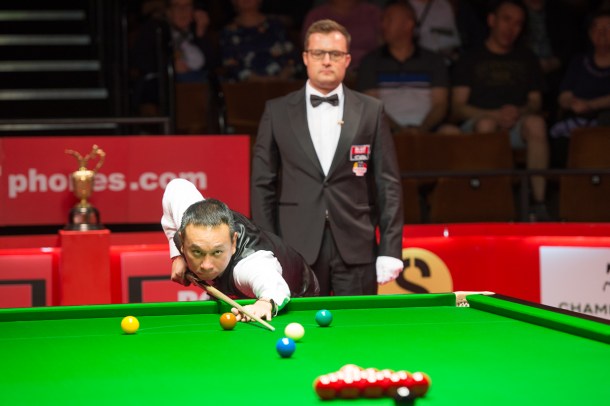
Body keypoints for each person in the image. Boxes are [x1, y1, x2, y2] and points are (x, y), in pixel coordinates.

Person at [251, 19, 404, 296]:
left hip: (357, 245)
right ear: (305, 58)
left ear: (347, 60)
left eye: (334, 54)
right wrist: (266, 248)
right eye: (318, 53)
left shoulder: (371, 111)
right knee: (300, 320)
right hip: (295, 246)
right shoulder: (277, 111)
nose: (326, 61)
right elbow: (263, 185)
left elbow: (388, 185)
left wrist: (390, 249)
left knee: (356, 323)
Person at [161, 178, 319, 322]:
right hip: (232, 288)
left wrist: (264, 303)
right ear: (182, 240)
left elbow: (274, 286)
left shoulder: (249, 264)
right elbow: (177, 187)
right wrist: (177, 256)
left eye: (217, 252)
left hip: (298, 294)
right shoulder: (190, 221)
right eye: (197, 252)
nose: (206, 265)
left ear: (233, 243)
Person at [450, 0, 550, 220]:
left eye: (518, 23)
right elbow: (458, 107)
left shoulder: (527, 58)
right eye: (506, 19)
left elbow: (535, 102)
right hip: (479, 123)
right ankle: (492, 203)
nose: (511, 28)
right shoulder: (471, 58)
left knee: (537, 123)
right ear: (492, 20)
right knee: (487, 125)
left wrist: (518, 112)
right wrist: (492, 115)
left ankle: (539, 203)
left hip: (517, 123)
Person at [357, 0, 450, 133]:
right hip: (385, 132)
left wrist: (421, 130)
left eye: (389, 20)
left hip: (428, 132)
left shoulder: (433, 61)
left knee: (450, 132)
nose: (383, 25)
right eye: (382, 20)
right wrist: (399, 131)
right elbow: (372, 107)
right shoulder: (370, 62)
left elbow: (440, 104)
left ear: (408, 24)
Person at [131, 0, 217, 113]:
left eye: (187, 6)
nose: (183, 11)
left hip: (196, 91)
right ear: (168, 11)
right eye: (177, 6)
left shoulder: (198, 30)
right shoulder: (154, 29)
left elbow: (213, 65)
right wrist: (170, 65)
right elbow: (141, 60)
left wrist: (201, 33)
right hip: (162, 89)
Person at [549, 9, 610, 167]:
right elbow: (564, 95)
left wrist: (591, 105)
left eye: (607, 28)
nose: (602, 33)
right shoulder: (579, 61)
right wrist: (571, 103)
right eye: (596, 28)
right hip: (578, 120)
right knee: (561, 144)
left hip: (604, 123)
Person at [219, 0, 301, 82]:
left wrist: (283, 76)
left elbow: (293, 57)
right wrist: (258, 80)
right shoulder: (228, 32)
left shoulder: (276, 26)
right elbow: (229, 64)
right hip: (244, 86)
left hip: (282, 83)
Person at [301, 0, 383, 74]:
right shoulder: (316, 15)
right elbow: (310, 51)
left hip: (371, 72)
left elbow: (383, 47)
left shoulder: (372, 13)